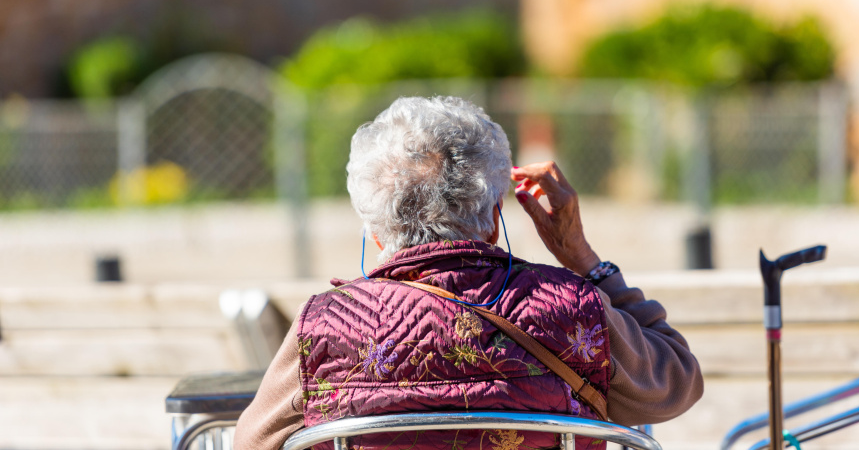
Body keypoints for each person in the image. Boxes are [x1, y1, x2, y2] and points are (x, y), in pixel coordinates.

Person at [234, 96, 703, 450]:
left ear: (375, 232)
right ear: (495, 220)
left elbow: (251, 443)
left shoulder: (327, 326)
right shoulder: (570, 308)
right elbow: (677, 383)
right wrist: (584, 259)